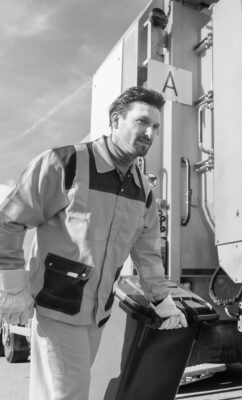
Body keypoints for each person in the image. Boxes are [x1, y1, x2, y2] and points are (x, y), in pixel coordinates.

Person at [0, 86, 187, 400]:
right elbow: (9, 221)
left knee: (71, 392)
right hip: (57, 309)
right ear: (116, 120)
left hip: (98, 315)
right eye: (142, 122)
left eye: (155, 127)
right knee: (67, 395)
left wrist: (163, 301)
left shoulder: (144, 191)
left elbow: (148, 253)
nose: (150, 133)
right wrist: (13, 289)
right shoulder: (67, 163)